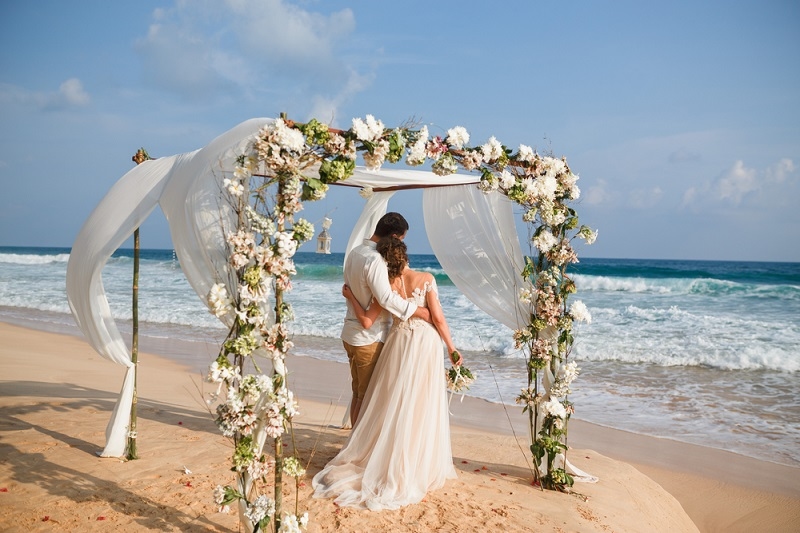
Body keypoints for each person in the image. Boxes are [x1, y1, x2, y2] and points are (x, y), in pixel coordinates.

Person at [312, 236, 463, 510]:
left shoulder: (388, 285)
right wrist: (452, 349)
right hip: (424, 345)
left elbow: (370, 317)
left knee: (393, 402)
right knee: (420, 403)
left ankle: (384, 454)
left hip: (397, 343)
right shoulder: (426, 277)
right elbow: (438, 318)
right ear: (405, 256)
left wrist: (350, 297)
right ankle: (413, 463)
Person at [340, 212, 430, 426]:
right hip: (368, 338)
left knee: (358, 394)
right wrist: (419, 311)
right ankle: (357, 448)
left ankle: (355, 443)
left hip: (351, 334)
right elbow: (386, 298)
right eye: (401, 240)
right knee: (367, 398)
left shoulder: (355, 252)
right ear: (394, 236)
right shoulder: (374, 259)